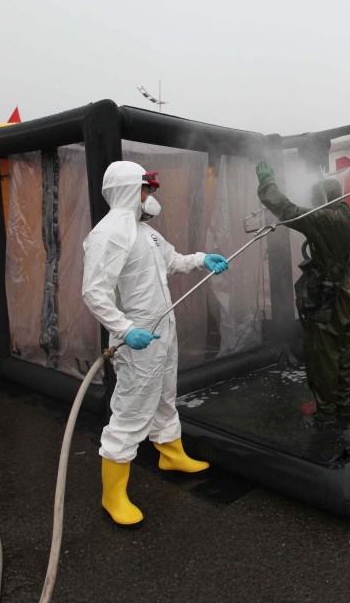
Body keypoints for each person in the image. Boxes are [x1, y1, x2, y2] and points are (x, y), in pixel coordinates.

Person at [82, 161, 230, 526]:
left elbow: (172, 260)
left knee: (165, 396)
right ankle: (112, 493)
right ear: (130, 189)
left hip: (163, 333)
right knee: (132, 409)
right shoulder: (110, 234)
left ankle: (171, 453)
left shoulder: (144, 232)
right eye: (146, 189)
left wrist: (201, 260)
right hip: (137, 339)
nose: (150, 196)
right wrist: (124, 329)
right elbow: (94, 292)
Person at [255, 159, 350, 421]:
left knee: (322, 357)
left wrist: (267, 184)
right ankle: (343, 404)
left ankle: (325, 411)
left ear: (323, 198)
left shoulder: (325, 219)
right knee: (343, 354)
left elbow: (288, 210)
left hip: (326, 302)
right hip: (345, 298)